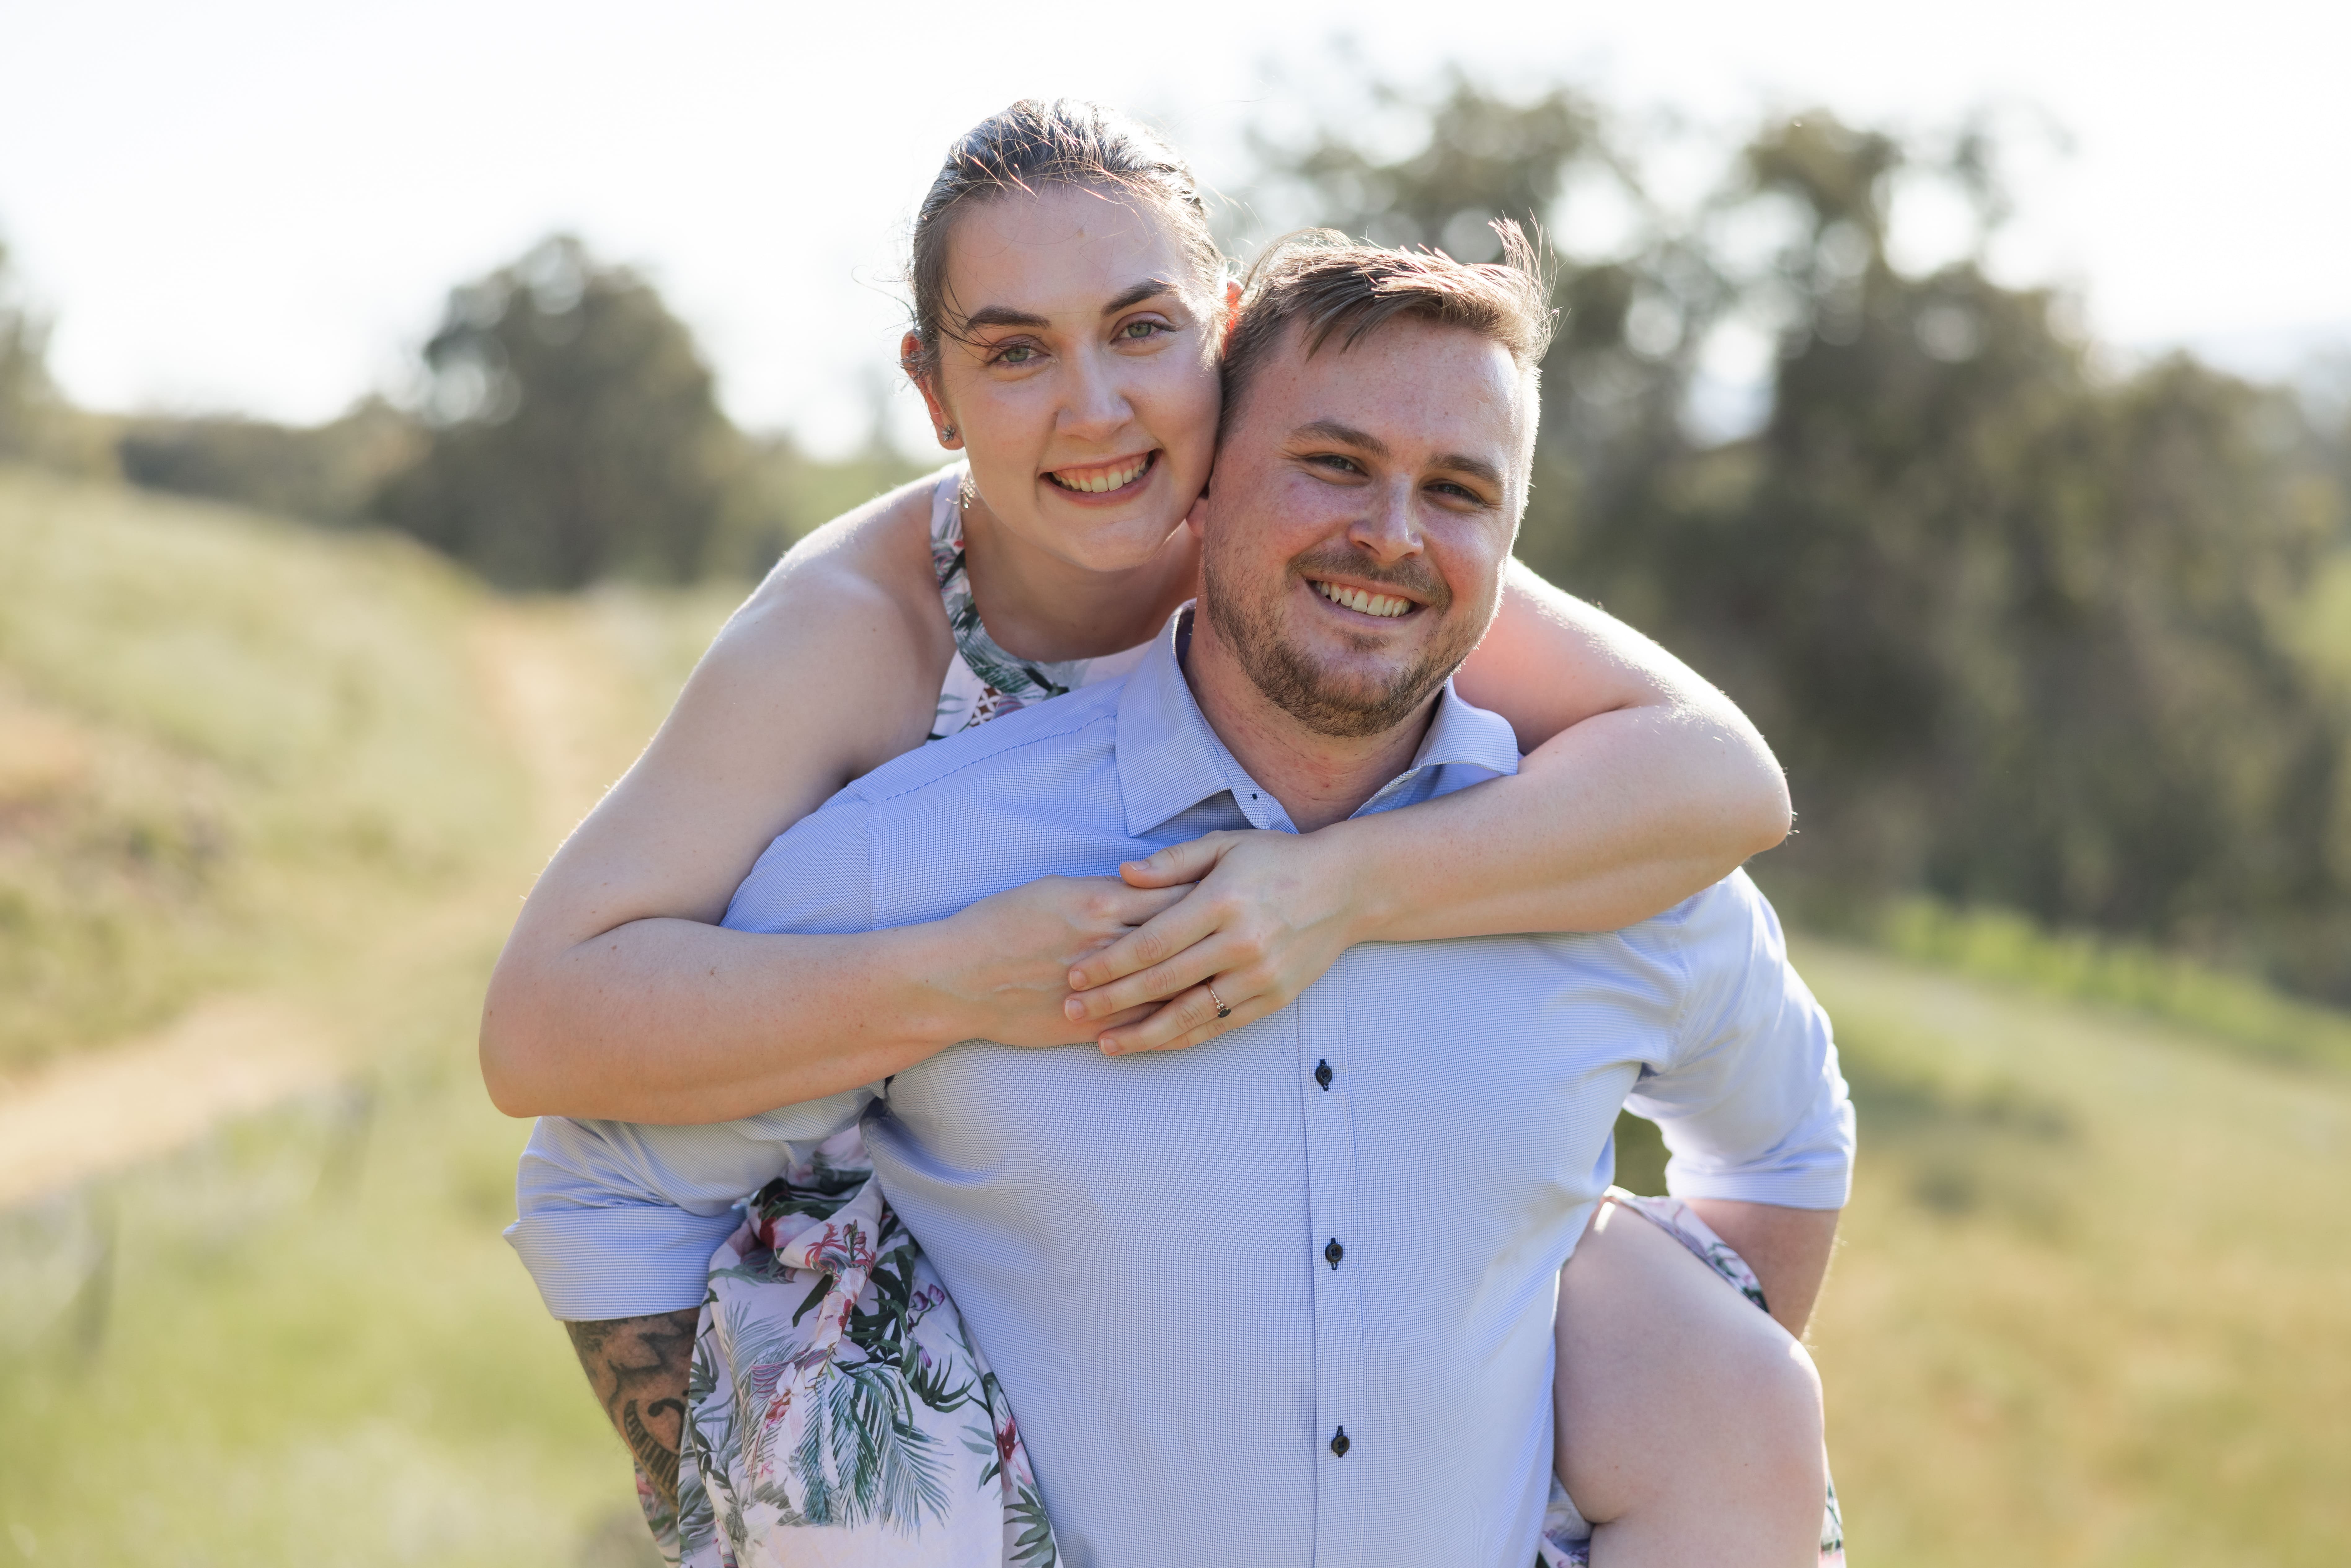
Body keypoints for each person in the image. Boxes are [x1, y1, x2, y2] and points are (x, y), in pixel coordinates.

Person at [510, 207, 1853, 1563]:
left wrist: (1672, 1406)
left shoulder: (1612, 862)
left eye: (1458, 492)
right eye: (1333, 464)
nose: (1391, 535)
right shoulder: (918, 849)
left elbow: (1788, 1143)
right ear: (1205, 475)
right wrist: (789, 1507)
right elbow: (603, 1175)